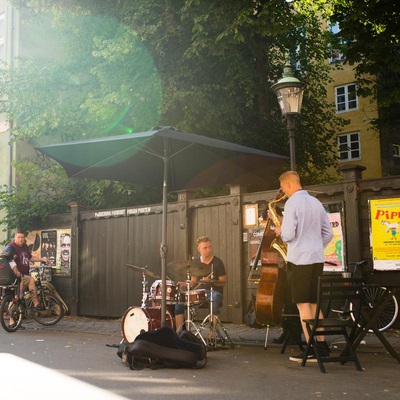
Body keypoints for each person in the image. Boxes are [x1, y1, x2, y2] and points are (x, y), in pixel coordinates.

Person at [272, 171, 333, 362]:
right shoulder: (315, 202)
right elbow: (329, 234)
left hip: (299, 261)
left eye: (283, 188)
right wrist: (315, 247)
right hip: (316, 259)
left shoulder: (292, 203)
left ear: (289, 184)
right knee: (315, 303)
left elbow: (288, 235)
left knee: (303, 304)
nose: (283, 192)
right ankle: (322, 345)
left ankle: (311, 347)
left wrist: (280, 230)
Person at [174, 236, 227, 331]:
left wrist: (210, 281)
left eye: (210, 247)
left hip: (213, 292)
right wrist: (185, 284)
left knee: (214, 299)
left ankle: (212, 334)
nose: (209, 250)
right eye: (205, 248)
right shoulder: (196, 262)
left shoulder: (218, 262)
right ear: (199, 249)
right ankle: (179, 333)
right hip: (199, 293)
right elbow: (193, 282)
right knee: (179, 302)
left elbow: (223, 282)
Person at [2, 229, 51, 329]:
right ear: (15, 237)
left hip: (22, 275)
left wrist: (42, 259)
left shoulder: (24, 247)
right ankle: (36, 303)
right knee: (31, 281)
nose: (20, 239)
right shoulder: (11, 247)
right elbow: (7, 260)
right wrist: (16, 272)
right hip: (16, 277)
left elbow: (29, 257)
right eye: (18, 237)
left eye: (22, 237)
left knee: (16, 298)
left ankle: (13, 322)